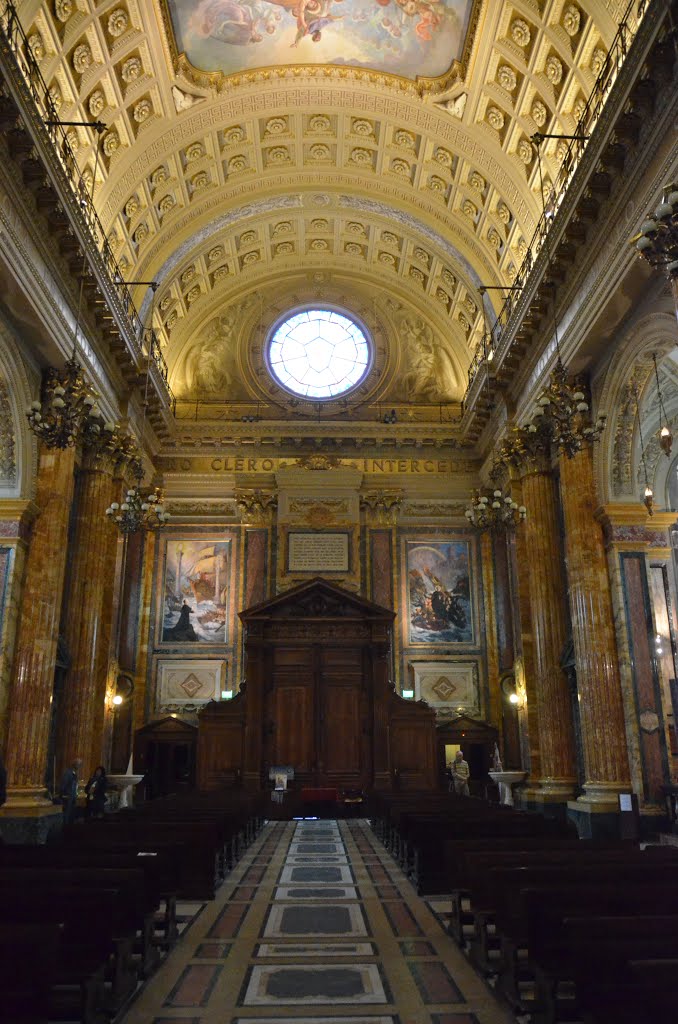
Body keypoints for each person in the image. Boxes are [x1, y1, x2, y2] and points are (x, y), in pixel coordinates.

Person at [59, 757, 82, 826]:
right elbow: (63, 785)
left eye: (80, 765)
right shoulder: (68, 773)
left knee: (71, 814)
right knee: (67, 814)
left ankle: (70, 828)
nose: (79, 766)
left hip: (73, 796)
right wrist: (64, 794)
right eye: (78, 764)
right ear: (74, 764)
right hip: (68, 797)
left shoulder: (74, 773)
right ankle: (66, 828)